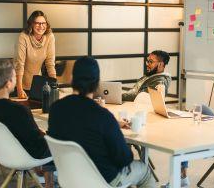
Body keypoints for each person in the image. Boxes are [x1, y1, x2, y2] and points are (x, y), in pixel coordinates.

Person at [48, 57, 156, 188]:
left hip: (70, 178)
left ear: (72, 79)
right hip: (103, 180)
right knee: (144, 171)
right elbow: (125, 159)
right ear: (97, 83)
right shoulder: (102, 116)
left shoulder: (56, 108)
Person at [0, 59, 54, 187]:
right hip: (27, 156)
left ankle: (42, 175)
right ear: (8, 83)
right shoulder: (18, 110)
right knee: (59, 144)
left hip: (4, 154)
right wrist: (48, 136)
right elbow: (38, 144)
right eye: (14, 77)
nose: (17, 79)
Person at [15, 10, 56, 99]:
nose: (41, 26)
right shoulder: (23, 36)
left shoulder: (50, 37)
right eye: (37, 23)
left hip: (36, 84)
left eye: (43, 23)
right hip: (19, 83)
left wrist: (54, 86)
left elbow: (50, 63)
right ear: (31, 24)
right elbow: (19, 64)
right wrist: (19, 89)